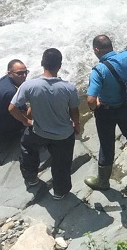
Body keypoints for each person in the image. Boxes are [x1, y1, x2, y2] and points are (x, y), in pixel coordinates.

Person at [8, 48, 80, 200]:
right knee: (62, 164)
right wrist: (76, 124)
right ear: (59, 66)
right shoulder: (69, 88)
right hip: (63, 135)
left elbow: (12, 108)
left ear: (42, 63)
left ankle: (31, 178)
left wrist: (26, 121)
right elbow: (74, 111)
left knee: (27, 148)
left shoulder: (29, 86)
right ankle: (60, 192)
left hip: (38, 131)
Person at [84, 34, 127, 190]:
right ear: (111, 45)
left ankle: (103, 181)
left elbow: (90, 100)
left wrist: (95, 106)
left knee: (107, 145)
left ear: (96, 49)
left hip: (106, 112)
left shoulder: (98, 70)